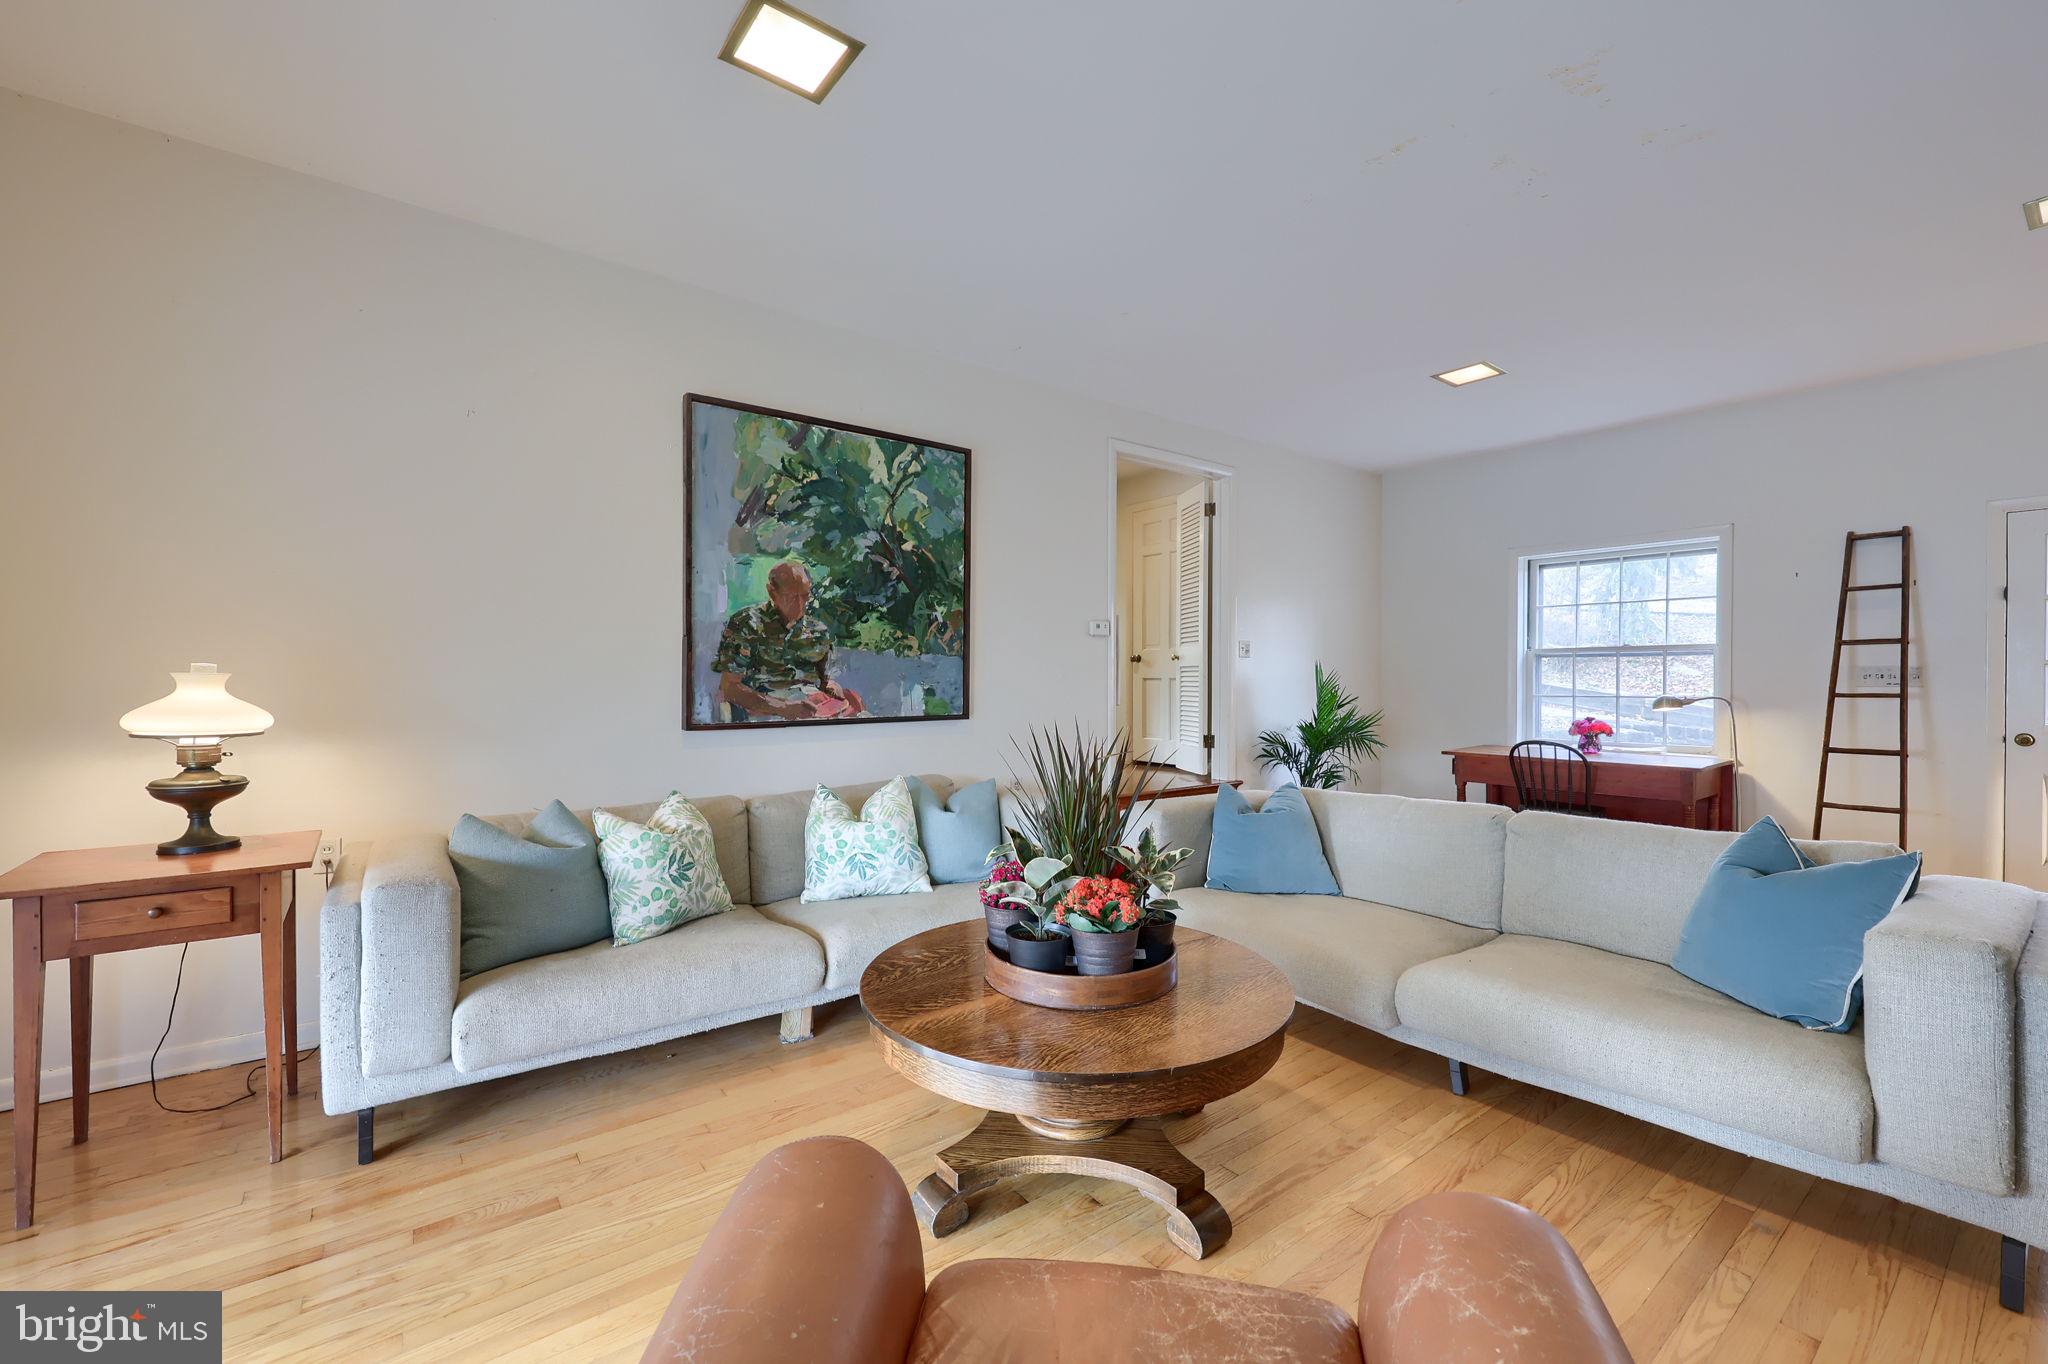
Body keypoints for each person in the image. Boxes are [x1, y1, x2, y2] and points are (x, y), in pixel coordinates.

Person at [713, 561, 865, 721]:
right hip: (765, 709)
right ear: (772, 592)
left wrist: (833, 688)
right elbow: (729, 688)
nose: (800, 605)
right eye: (792, 597)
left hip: (811, 707)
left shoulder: (817, 630)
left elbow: (824, 682)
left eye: (805, 596)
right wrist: (784, 708)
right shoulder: (746, 624)